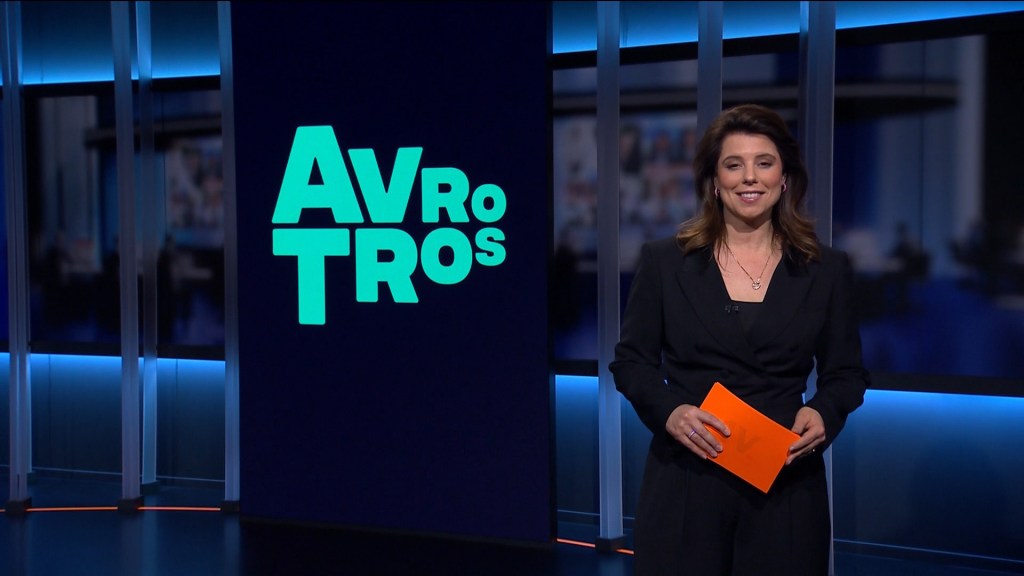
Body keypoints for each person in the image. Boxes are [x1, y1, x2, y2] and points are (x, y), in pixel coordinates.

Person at [610, 104, 870, 576]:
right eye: (734, 165)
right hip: (688, 476)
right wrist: (670, 412)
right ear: (714, 180)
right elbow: (631, 362)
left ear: (784, 177)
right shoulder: (665, 262)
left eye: (764, 163)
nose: (750, 177)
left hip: (784, 480)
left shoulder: (826, 269)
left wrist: (823, 411)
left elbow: (847, 373)